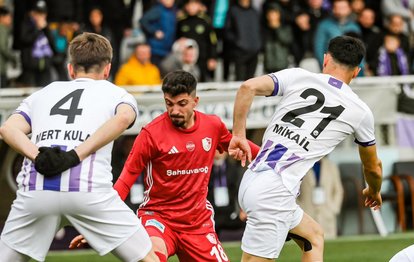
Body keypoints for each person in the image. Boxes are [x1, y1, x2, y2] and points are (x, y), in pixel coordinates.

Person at [70, 70, 260, 261]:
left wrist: (277, 159)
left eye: (182, 104)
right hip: (158, 218)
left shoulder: (212, 126)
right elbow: (124, 181)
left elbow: (242, 146)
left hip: (197, 223)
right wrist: (99, 226)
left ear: (196, 101)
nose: (174, 111)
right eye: (169, 103)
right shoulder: (150, 134)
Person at [0, 32, 158, 262]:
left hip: (37, 190)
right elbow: (124, 118)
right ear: (107, 69)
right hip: (88, 191)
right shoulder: (116, 93)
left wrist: (39, 156)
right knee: (148, 258)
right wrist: (75, 155)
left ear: (70, 69)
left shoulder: (43, 93)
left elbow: (7, 129)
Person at [229, 35, 383, 261]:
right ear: (357, 71)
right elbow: (373, 168)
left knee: (313, 237)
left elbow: (247, 87)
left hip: (254, 178)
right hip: (275, 192)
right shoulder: (360, 111)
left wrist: (239, 135)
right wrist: (373, 190)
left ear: (325, 59)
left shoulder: (298, 76)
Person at [296, 156, 344, 239]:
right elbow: (293, 191)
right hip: (307, 213)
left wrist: (334, 208)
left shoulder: (331, 166)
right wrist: (299, 209)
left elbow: (338, 190)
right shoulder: (301, 166)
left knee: (329, 245)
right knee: (308, 244)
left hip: (327, 213)